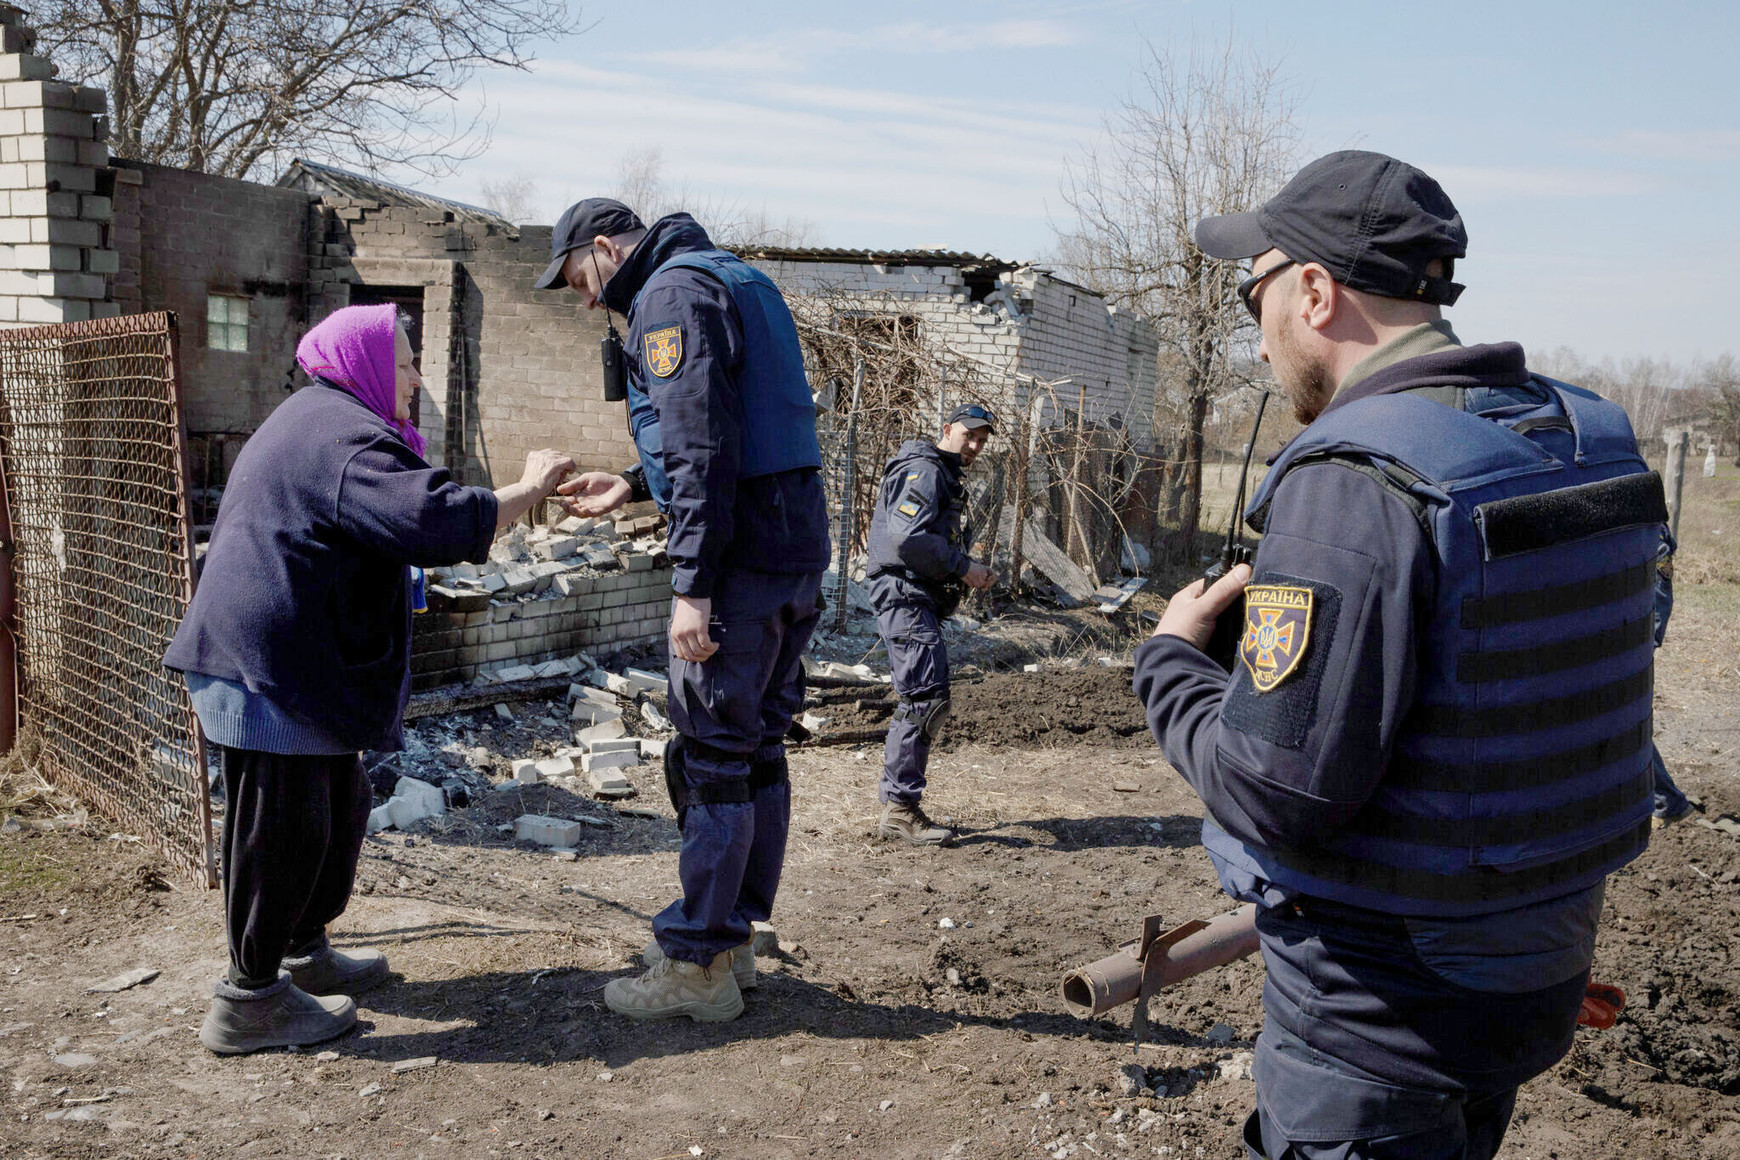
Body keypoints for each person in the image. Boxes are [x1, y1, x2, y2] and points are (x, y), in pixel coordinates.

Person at [1133, 151, 1665, 1159]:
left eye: (1254, 298)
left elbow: (1277, 788)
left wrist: (1171, 663)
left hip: (1382, 1016)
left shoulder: (1360, 474)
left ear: (1314, 292)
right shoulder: (1583, 438)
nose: (1257, 338)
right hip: (1533, 968)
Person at [165, 304, 574, 1054]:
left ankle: (302, 954)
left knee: (335, 806)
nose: (417, 379)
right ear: (364, 365)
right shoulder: (343, 438)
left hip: (286, 660)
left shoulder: (326, 421)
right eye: (405, 363)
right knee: (282, 828)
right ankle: (249, 1000)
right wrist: (527, 489)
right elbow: (434, 520)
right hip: (266, 668)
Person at [534, 198, 830, 1022]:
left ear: (604, 247)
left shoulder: (669, 295)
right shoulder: (737, 278)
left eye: (579, 281)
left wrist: (692, 586)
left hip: (736, 565)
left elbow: (701, 447)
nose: (585, 301)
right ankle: (734, 937)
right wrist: (634, 481)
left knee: (711, 754)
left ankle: (699, 963)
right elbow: (733, 427)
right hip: (790, 549)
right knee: (756, 744)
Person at [862, 403, 999, 845]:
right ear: (947, 429)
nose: (974, 445)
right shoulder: (925, 470)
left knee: (925, 696)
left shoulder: (940, 472)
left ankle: (900, 805)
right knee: (924, 699)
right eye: (968, 435)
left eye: (981, 440)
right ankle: (899, 810)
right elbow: (908, 537)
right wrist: (962, 568)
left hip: (914, 594)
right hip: (904, 593)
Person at [1649, 532, 1694, 823]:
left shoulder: (1652, 534)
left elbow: (1661, 592)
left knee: (1628, 725)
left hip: (1628, 649)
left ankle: (1668, 802)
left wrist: (1646, 643)